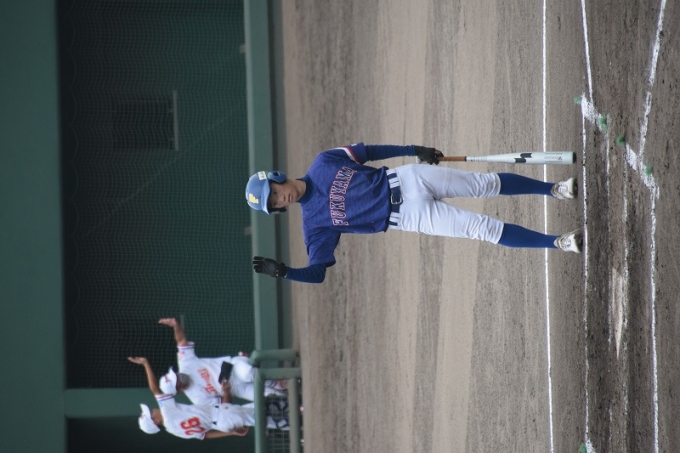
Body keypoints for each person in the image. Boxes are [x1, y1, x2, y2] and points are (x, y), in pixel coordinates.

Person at [245, 143, 582, 284]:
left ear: (275, 177)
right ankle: (558, 242)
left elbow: (368, 151)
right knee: (483, 229)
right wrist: (286, 272)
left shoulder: (323, 162)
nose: (279, 199)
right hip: (409, 216)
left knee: (485, 184)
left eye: (273, 193)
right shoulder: (314, 225)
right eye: (274, 204)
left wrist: (413, 150)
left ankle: (554, 189)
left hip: (408, 178)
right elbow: (318, 272)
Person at [128, 356, 288, 440]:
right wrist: (145, 364)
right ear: (156, 421)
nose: (153, 410)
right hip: (224, 414)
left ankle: (294, 418)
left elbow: (204, 436)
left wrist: (230, 433)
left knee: (264, 412)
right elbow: (154, 389)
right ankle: (296, 412)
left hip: (223, 422)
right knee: (266, 413)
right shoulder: (168, 414)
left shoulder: (174, 431)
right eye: (151, 414)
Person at [157, 317, 286, 404]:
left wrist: (176, 326)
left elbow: (181, 341)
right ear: (179, 389)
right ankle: (289, 396)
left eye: (176, 375)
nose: (179, 375)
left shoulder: (185, 364)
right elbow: (224, 405)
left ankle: (277, 383)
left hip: (233, 368)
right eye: (177, 380)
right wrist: (226, 392)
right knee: (270, 398)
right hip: (235, 389)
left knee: (248, 374)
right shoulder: (197, 398)